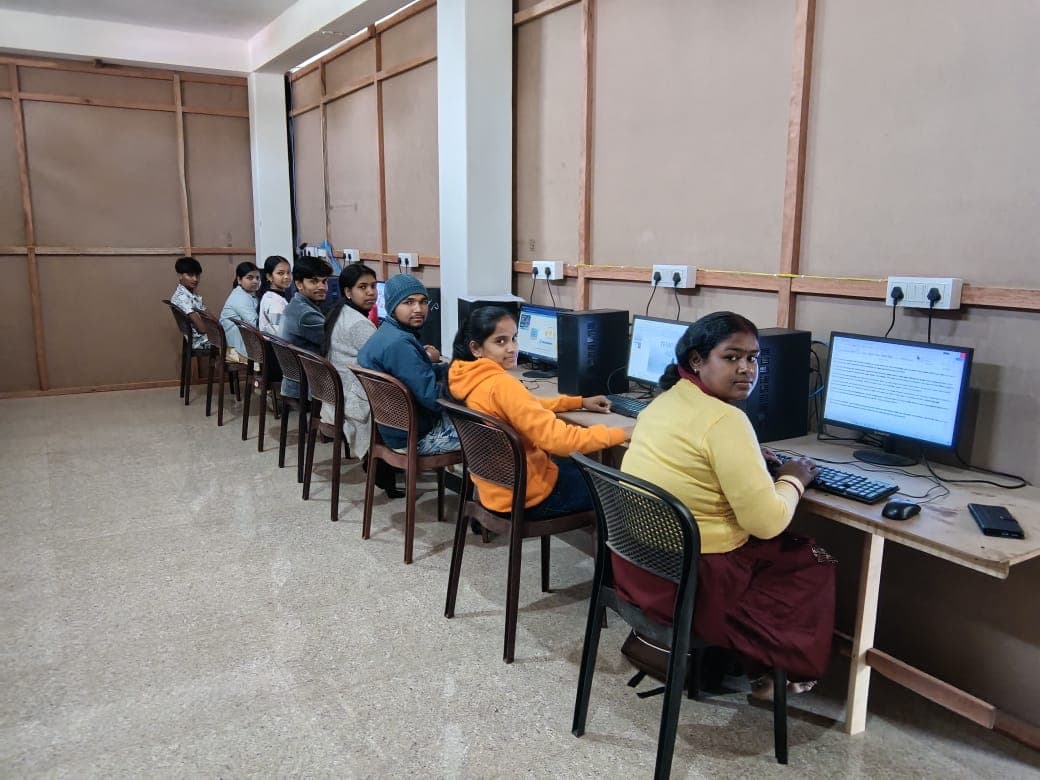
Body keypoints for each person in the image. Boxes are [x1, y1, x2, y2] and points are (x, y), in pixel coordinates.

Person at [618, 310, 835, 699]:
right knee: (813, 560)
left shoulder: (664, 401)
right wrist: (793, 479)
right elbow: (768, 523)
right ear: (698, 361)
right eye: (731, 357)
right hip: (698, 583)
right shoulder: (725, 422)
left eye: (753, 358)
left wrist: (752, 460)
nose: (746, 369)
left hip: (644, 571)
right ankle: (773, 674)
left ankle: (744, 662)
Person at [448, 306, 628, 519]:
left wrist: (578, 402)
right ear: (476, 348)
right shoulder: (501, 385)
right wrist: (622, 433)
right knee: (619, 490)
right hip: (530, 497)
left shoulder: (463, 377)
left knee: (579, 468)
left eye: (514, 338)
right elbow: (559, 441)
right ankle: (613, 551)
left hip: (496, 491)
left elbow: (524, 406)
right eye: (500, 341)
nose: (512, 348)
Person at [357, 275, 460, 456]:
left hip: (394, 429)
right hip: (415, 437)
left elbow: (417, 372)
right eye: (408, 302)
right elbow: (434, 399)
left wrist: (455, 369)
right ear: (392, 306)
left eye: (423, 302)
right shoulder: (399, 344)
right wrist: (472, 383)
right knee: (493, 430)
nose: (418, 309)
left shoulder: (387, 333)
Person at [321, 264, 379, 459]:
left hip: (336, 397)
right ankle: (387, 463)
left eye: (373, 286)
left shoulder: (340, 312)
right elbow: (383, 364)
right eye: (362, 287)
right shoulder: (360, 324)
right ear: (348, 291)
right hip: (354, 402)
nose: (371, 292)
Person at [280, 255, 332, 401]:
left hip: (297, 378)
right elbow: (335, 340)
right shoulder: (305, 314)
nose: (322, 287)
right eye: (314, 282)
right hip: (307, 385)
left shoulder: (297, 304)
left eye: (324, 281)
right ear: (299, 284)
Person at [219, 261, 260, 363]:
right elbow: (255, 323)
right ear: (239, 280)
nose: (255, 281)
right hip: (233, 350)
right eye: (250, 278)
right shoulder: (240, 297)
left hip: (238, 343)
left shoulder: (248, 294)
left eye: (258, 278)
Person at [170, 256, 208, 350]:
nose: (195, 279)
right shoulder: (182, 297)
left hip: (205, 337)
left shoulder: (191, 294)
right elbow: (202, 329)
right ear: (180, 275)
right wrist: (218, 331)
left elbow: (207, 314)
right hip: (201, 341)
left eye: (197, 275)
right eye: (190, 275)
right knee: (235, 344)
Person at [257, 255, 292, 336]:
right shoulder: (276, 302)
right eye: (280, 273)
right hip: (278, 347)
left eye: (289, 272)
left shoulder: (268, 295)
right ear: (269, 277)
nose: (287, 277)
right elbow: (282, 335)